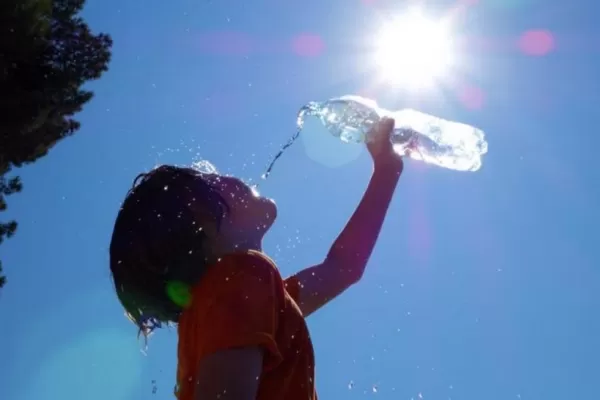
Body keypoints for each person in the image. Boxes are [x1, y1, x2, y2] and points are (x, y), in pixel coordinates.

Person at [109, 117, 403, 400]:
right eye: (213, 180)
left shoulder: (244, 300)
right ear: (202, 221)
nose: (229, 177)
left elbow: (343, 268)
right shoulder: (240, 280)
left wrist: (387, 170)